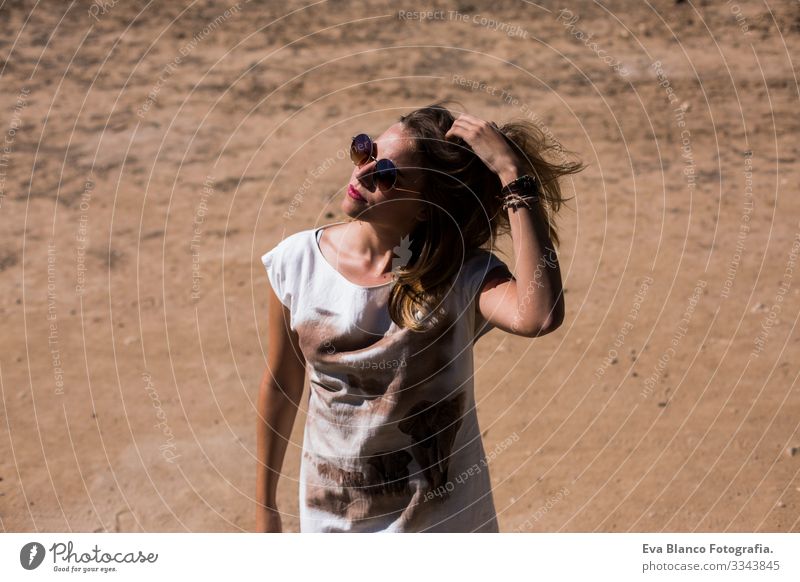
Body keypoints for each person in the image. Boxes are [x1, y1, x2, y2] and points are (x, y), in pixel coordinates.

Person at [256, 100, 584, 532]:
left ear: (426, 206)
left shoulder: (460, 278)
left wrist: (511, 174)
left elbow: (538, 316)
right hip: (333, 526)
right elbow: (282, 386)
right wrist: (265, 508)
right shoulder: (296, 263)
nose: (363, 173)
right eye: (364, 150)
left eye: (388, 175)